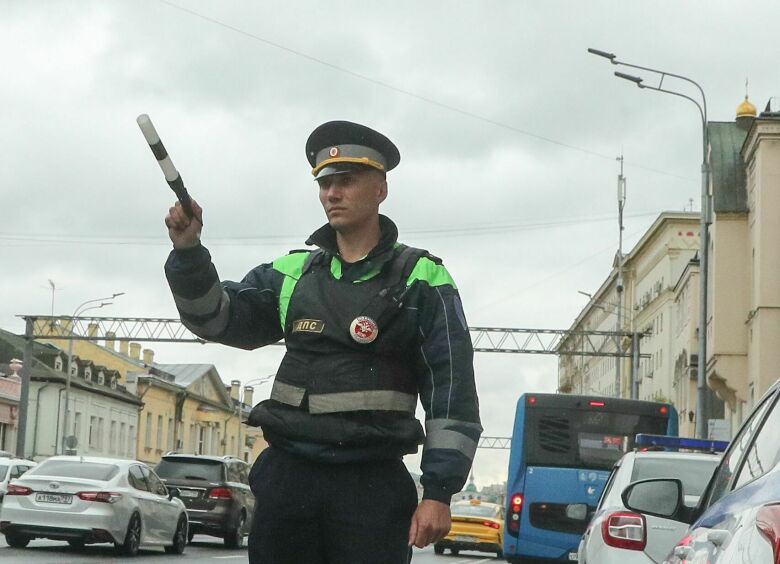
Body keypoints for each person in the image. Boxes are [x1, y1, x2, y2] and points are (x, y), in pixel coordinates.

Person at [164, 120, 481, 564]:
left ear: (381, 189)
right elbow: (214, 319)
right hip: (289, 478)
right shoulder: (293, 273)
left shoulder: (422, 279)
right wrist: (189, 253)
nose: (332, 193)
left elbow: (452, 392)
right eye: (325, 183)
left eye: (346, 181)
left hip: (371, 486)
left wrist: (439, 492)